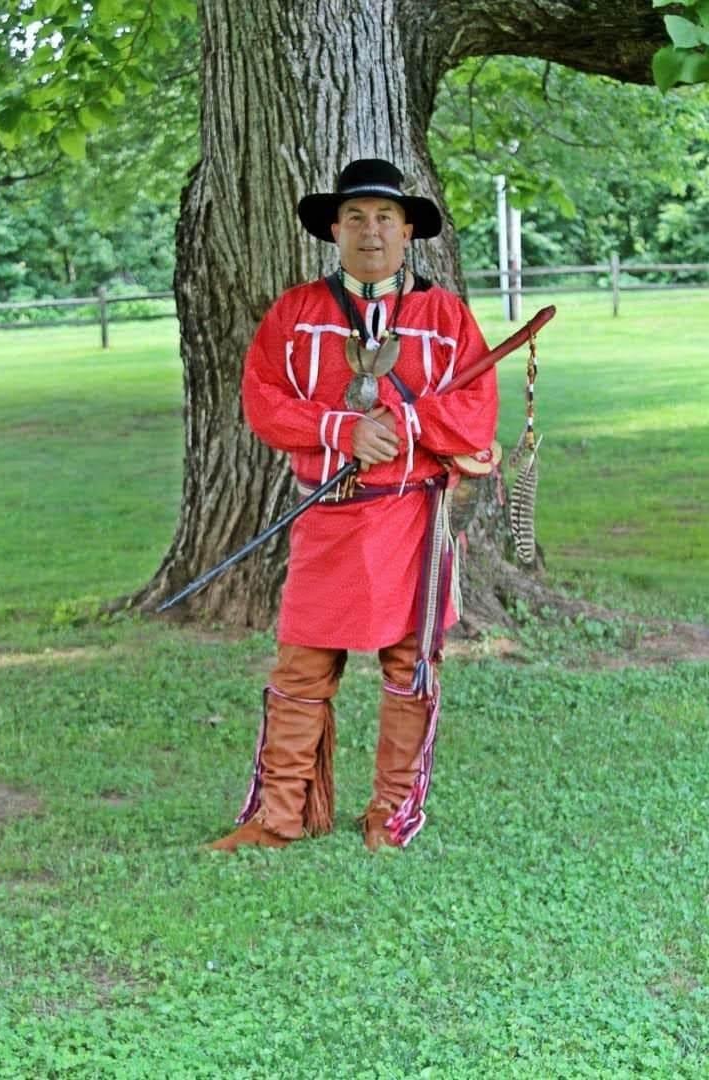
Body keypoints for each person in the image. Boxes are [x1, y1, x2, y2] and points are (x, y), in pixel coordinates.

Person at [209, 158, 498, 853]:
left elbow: (475, 414)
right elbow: (264, 401)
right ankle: (278, 817)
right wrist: (339, 429)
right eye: (358, 218)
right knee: (301, 669)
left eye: (386, 218)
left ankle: (389, 817)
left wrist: (406, 425)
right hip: (327, 517)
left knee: (410, 668)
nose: (372, 232)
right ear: (335, 230)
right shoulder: (296, 313)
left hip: (413, 518)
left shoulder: (444, 316)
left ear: (408, 232)